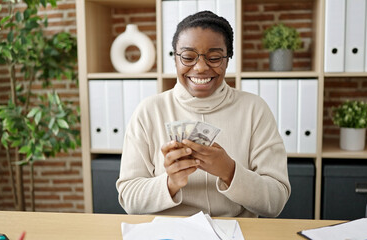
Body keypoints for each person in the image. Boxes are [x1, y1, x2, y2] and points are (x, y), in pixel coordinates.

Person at [116, 11, 290, 218]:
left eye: (214, 57)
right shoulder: (148, 111)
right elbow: (129, 200)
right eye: (188, 57)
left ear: (227, 60)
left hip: (235, 231)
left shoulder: (255, 109)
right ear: (175, 59)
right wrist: (170, 183)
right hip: (169, 232)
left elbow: (276, 201)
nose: (200, 67)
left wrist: (229, 171)